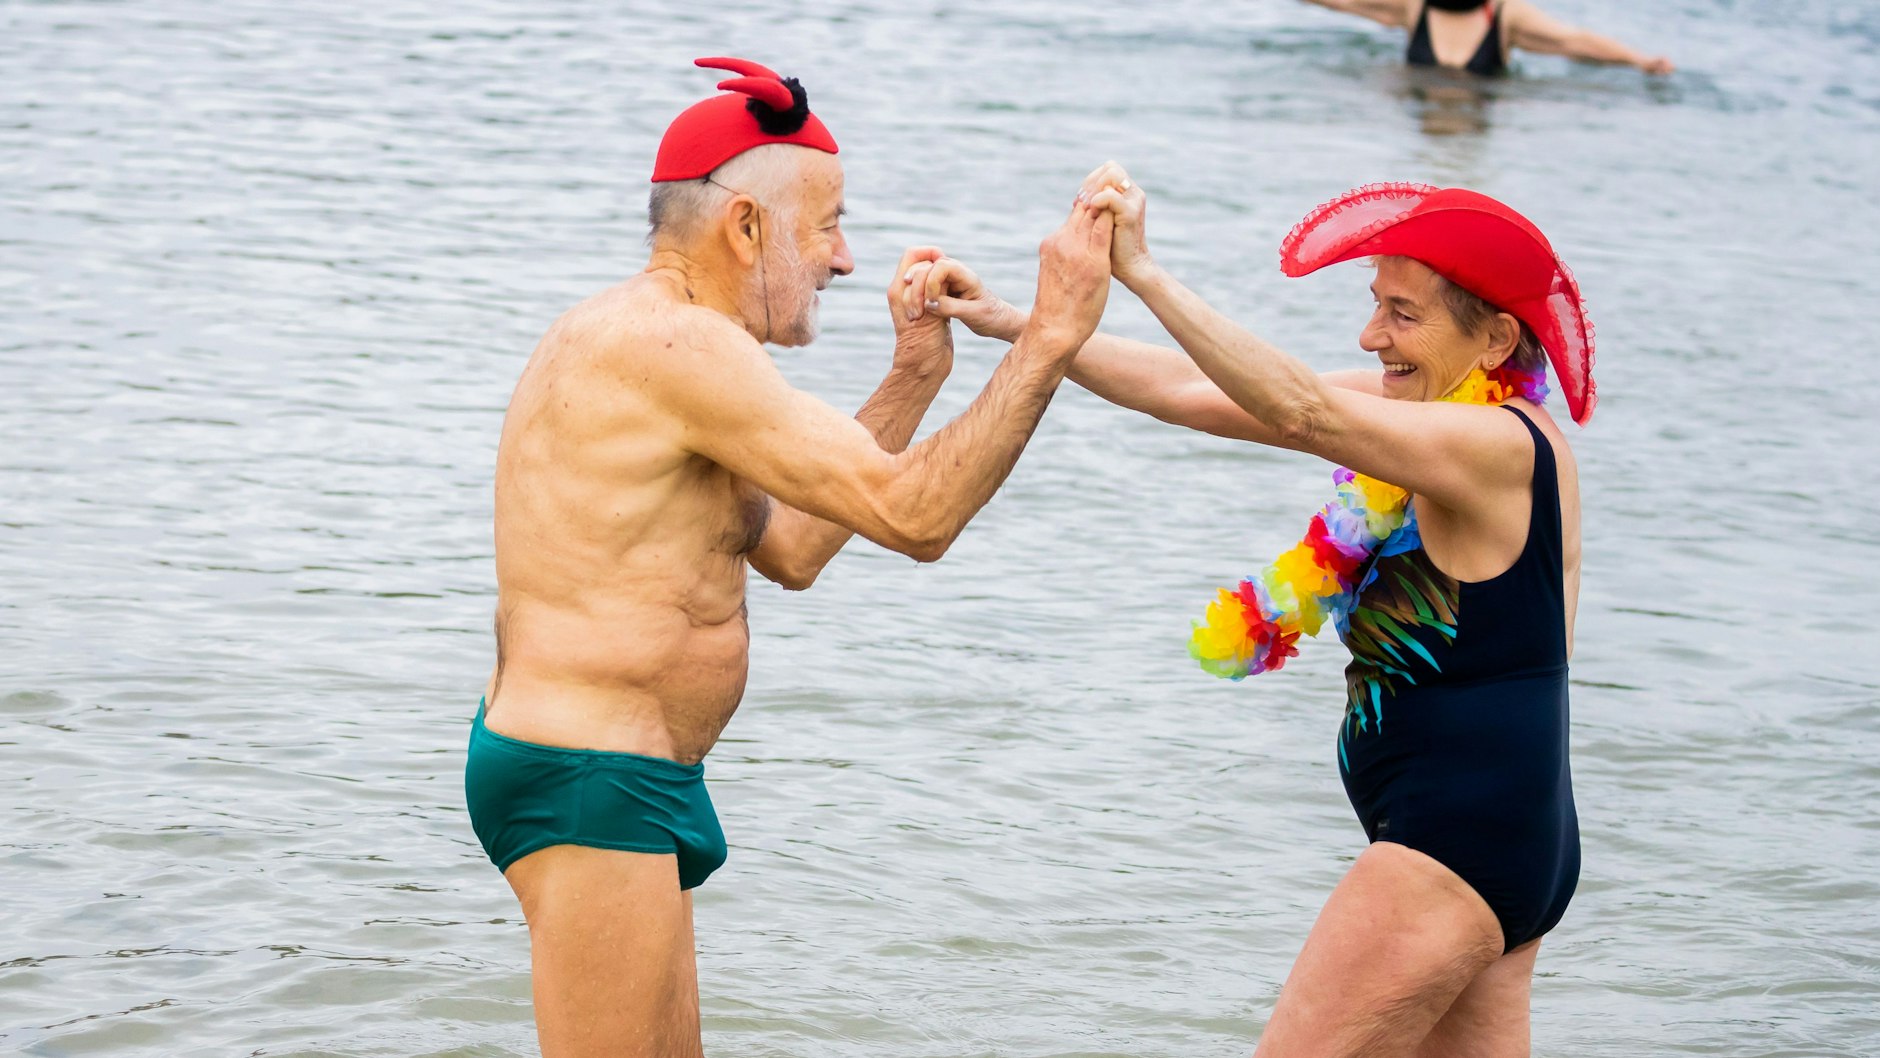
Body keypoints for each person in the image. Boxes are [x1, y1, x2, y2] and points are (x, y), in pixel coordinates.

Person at [465, 57, 1115, 1057]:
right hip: (584, 770)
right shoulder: (675, 346)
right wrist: (1052, 336)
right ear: (745, 227)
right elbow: (917, 518)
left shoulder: (665, 348)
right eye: (828, 226)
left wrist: (908, 377)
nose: (844, 260)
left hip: (617, 766)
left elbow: (795, 549)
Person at [914, 168, 1593, 1056]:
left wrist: (1145, 273)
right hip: (1511, 844)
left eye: (1403, 314)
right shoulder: (1432, 417)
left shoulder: (1498, 445)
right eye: (1375, 303)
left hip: (1451, 847)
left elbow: (1301, 409)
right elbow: (1203, 393)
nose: (1372, 333)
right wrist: (1023, 325)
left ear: (1498, 337)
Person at [1301, 0, 1674, 75]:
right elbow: (1346, 2)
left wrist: (1639, 61)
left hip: (1476, 124)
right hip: (1417, 128)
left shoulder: (1505, 12)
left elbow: (1571, 41)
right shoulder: (1415, 7)